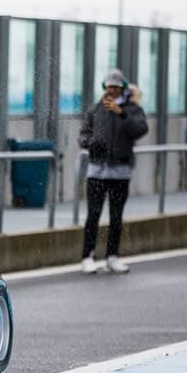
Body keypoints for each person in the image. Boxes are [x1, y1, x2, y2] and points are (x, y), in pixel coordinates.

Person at [79, 68, 149, 274]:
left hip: (120, 171)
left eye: (117, 87)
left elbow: (140, 130)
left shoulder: (133, 110)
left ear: (123, 89)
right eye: (110, 86)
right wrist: (92, 144)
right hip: (96, 171)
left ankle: (112, 256)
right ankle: (87, 255)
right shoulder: (95, 110)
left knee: (116, 216)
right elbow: (83, 135)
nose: (113, 90)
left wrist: (122, 114)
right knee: (93, 214)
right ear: (105, 87)